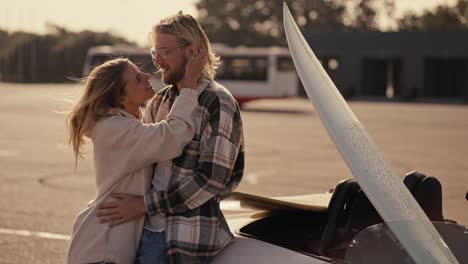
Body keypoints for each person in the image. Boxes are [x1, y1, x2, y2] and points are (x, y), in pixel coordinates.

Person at [97, 11, 245, 263]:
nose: (158, 62)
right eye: (156, 53)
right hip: (142, 233)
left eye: (165, 52)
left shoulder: (218, 102)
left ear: (192, 52)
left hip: (184, 238)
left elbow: (212, 179)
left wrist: (144, 205)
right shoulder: (159, 101)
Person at [66, 54, 206, 264]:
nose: (147, 75)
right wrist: (188, 87)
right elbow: (173, 136)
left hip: (107, 247)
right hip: (103, 250)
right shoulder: (114, 129)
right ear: (121, 98)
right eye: (138, 78)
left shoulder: (124, 123)